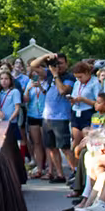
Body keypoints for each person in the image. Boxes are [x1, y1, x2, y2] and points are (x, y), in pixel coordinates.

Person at [30, 53, 75, 184]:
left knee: (64, 147)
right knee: (51, 147)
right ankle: (60, 174)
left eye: (60, 63)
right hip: (47, 116)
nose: (57, 66)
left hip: (61, 117)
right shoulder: (48, 74)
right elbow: (33, 65)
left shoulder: (69, 77)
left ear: (66, 64)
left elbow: (63, 91)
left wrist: (55, 75)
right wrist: (45, 57)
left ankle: (75, 173)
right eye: (55, 64)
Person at [23, 62, 48, 178]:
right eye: (33, 71)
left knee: (46, 143)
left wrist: (40, 87)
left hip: (45, 115)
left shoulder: (48, 82)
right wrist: (28, 89)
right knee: (36, 142)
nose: (36, 73)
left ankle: (48, 166)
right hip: (33, 114)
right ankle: (39, 168)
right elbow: (26, 99)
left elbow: (48, 95)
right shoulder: (30, 83)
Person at [0, 70, 22, 142]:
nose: (4, 81)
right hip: (1, 123)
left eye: (6, 79)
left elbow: (17, 108)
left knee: (12, 145)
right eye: (1, 79)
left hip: (11, 123)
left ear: (10, 80)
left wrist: (10, 120)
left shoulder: (14, 92)